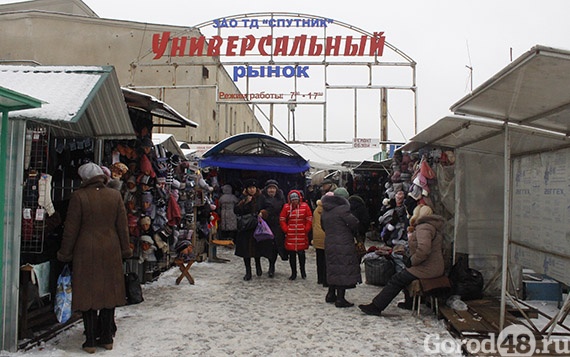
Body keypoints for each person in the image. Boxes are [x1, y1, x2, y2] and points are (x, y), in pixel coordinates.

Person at [57, 163, 132, 353]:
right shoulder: (115, 196)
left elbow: (71, 229)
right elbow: (122, 227)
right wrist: (125, 250)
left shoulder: (79, 197)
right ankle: (106, 338)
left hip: (85, 250)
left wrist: (65, 253)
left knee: (87, 295)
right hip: (111, 248)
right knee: (109, 293)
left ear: (84, 179)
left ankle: (90, 341)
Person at [358, 204, 445, 316]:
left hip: (426, 268)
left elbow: (424, 250)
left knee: (397, 279)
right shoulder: (432, 227)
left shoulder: (424, 227)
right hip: (432, 267)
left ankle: (376, 306)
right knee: (403, 273)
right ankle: (408, 302)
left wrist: (412, 261)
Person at [320, 187, 361, 308]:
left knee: (333, 268)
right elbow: (354, 223)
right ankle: (340, 298)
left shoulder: (326, 210)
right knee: (342, 269)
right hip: (343, 243)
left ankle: (330, 294)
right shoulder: (343, 209)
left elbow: (323, 226)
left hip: (329, 241)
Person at [279, 190, 312, 280]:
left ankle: (303, 271)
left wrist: (306, 229)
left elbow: (309, 218)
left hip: (301, 233)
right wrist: (286, 229)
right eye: (292, 199)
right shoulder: (286, 207)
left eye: (296, 199)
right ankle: (293, 272)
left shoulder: (305, 207)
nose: (294, 201)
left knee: (301, 254)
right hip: (291, 233)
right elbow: (282, 219)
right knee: (292, 255)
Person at [257, 179, 286, 277]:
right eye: (270, 188)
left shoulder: (281, 197)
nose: (271, 190)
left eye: (273, 188)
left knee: (275, 247)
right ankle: (262, 266)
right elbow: (259, 208)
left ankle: (272, 266)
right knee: (266, 246)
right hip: (266, 225)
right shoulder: (262, 197)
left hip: (277, 225)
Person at [234, 179, 262, 281]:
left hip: (256, 227)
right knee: (246, 251)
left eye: (253, 188)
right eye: (250, 188)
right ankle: (248, 272)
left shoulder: (260, 198)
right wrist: (245, 202)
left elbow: (263, 208)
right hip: (245, 228)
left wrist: (262, 213)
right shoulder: (242, 198)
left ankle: (258, 266)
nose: (252, 190)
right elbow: (236, 211)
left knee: (257, 249)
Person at [311, 195, 327, 286]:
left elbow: (313, 223)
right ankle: (325, 280)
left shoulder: (316, 210)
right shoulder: (329, 210)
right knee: (326, 259)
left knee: (319, 258)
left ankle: (320, 278)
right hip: (326, 235)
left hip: (317, 236)